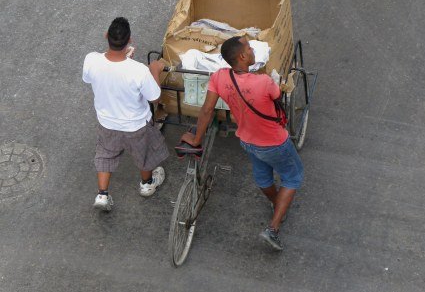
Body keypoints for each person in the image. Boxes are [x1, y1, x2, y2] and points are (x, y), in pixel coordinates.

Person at [181, 36, 303, 250]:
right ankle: (272, 229)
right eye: (249, 47)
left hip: (247, 141)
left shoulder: (219, 77)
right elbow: (276, 95)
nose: (252, 49)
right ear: (243, 56)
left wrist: (196, 138)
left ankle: (276, 203)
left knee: (262, 176)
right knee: (293, 177)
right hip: (275, 142)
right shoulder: (263, 82)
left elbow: (207, 110)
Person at [83, 17, 169, 211]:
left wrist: (125, 62)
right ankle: (147, 184)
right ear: (129, 40)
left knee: (105, 154)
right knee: (144, 153)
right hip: (136, 125)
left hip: (107, 122)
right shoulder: (139, 71)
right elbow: (155, 97)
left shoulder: (91, 60)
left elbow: (99, 75)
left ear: (106, 36)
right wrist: (154, 69)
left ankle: (102, 195)